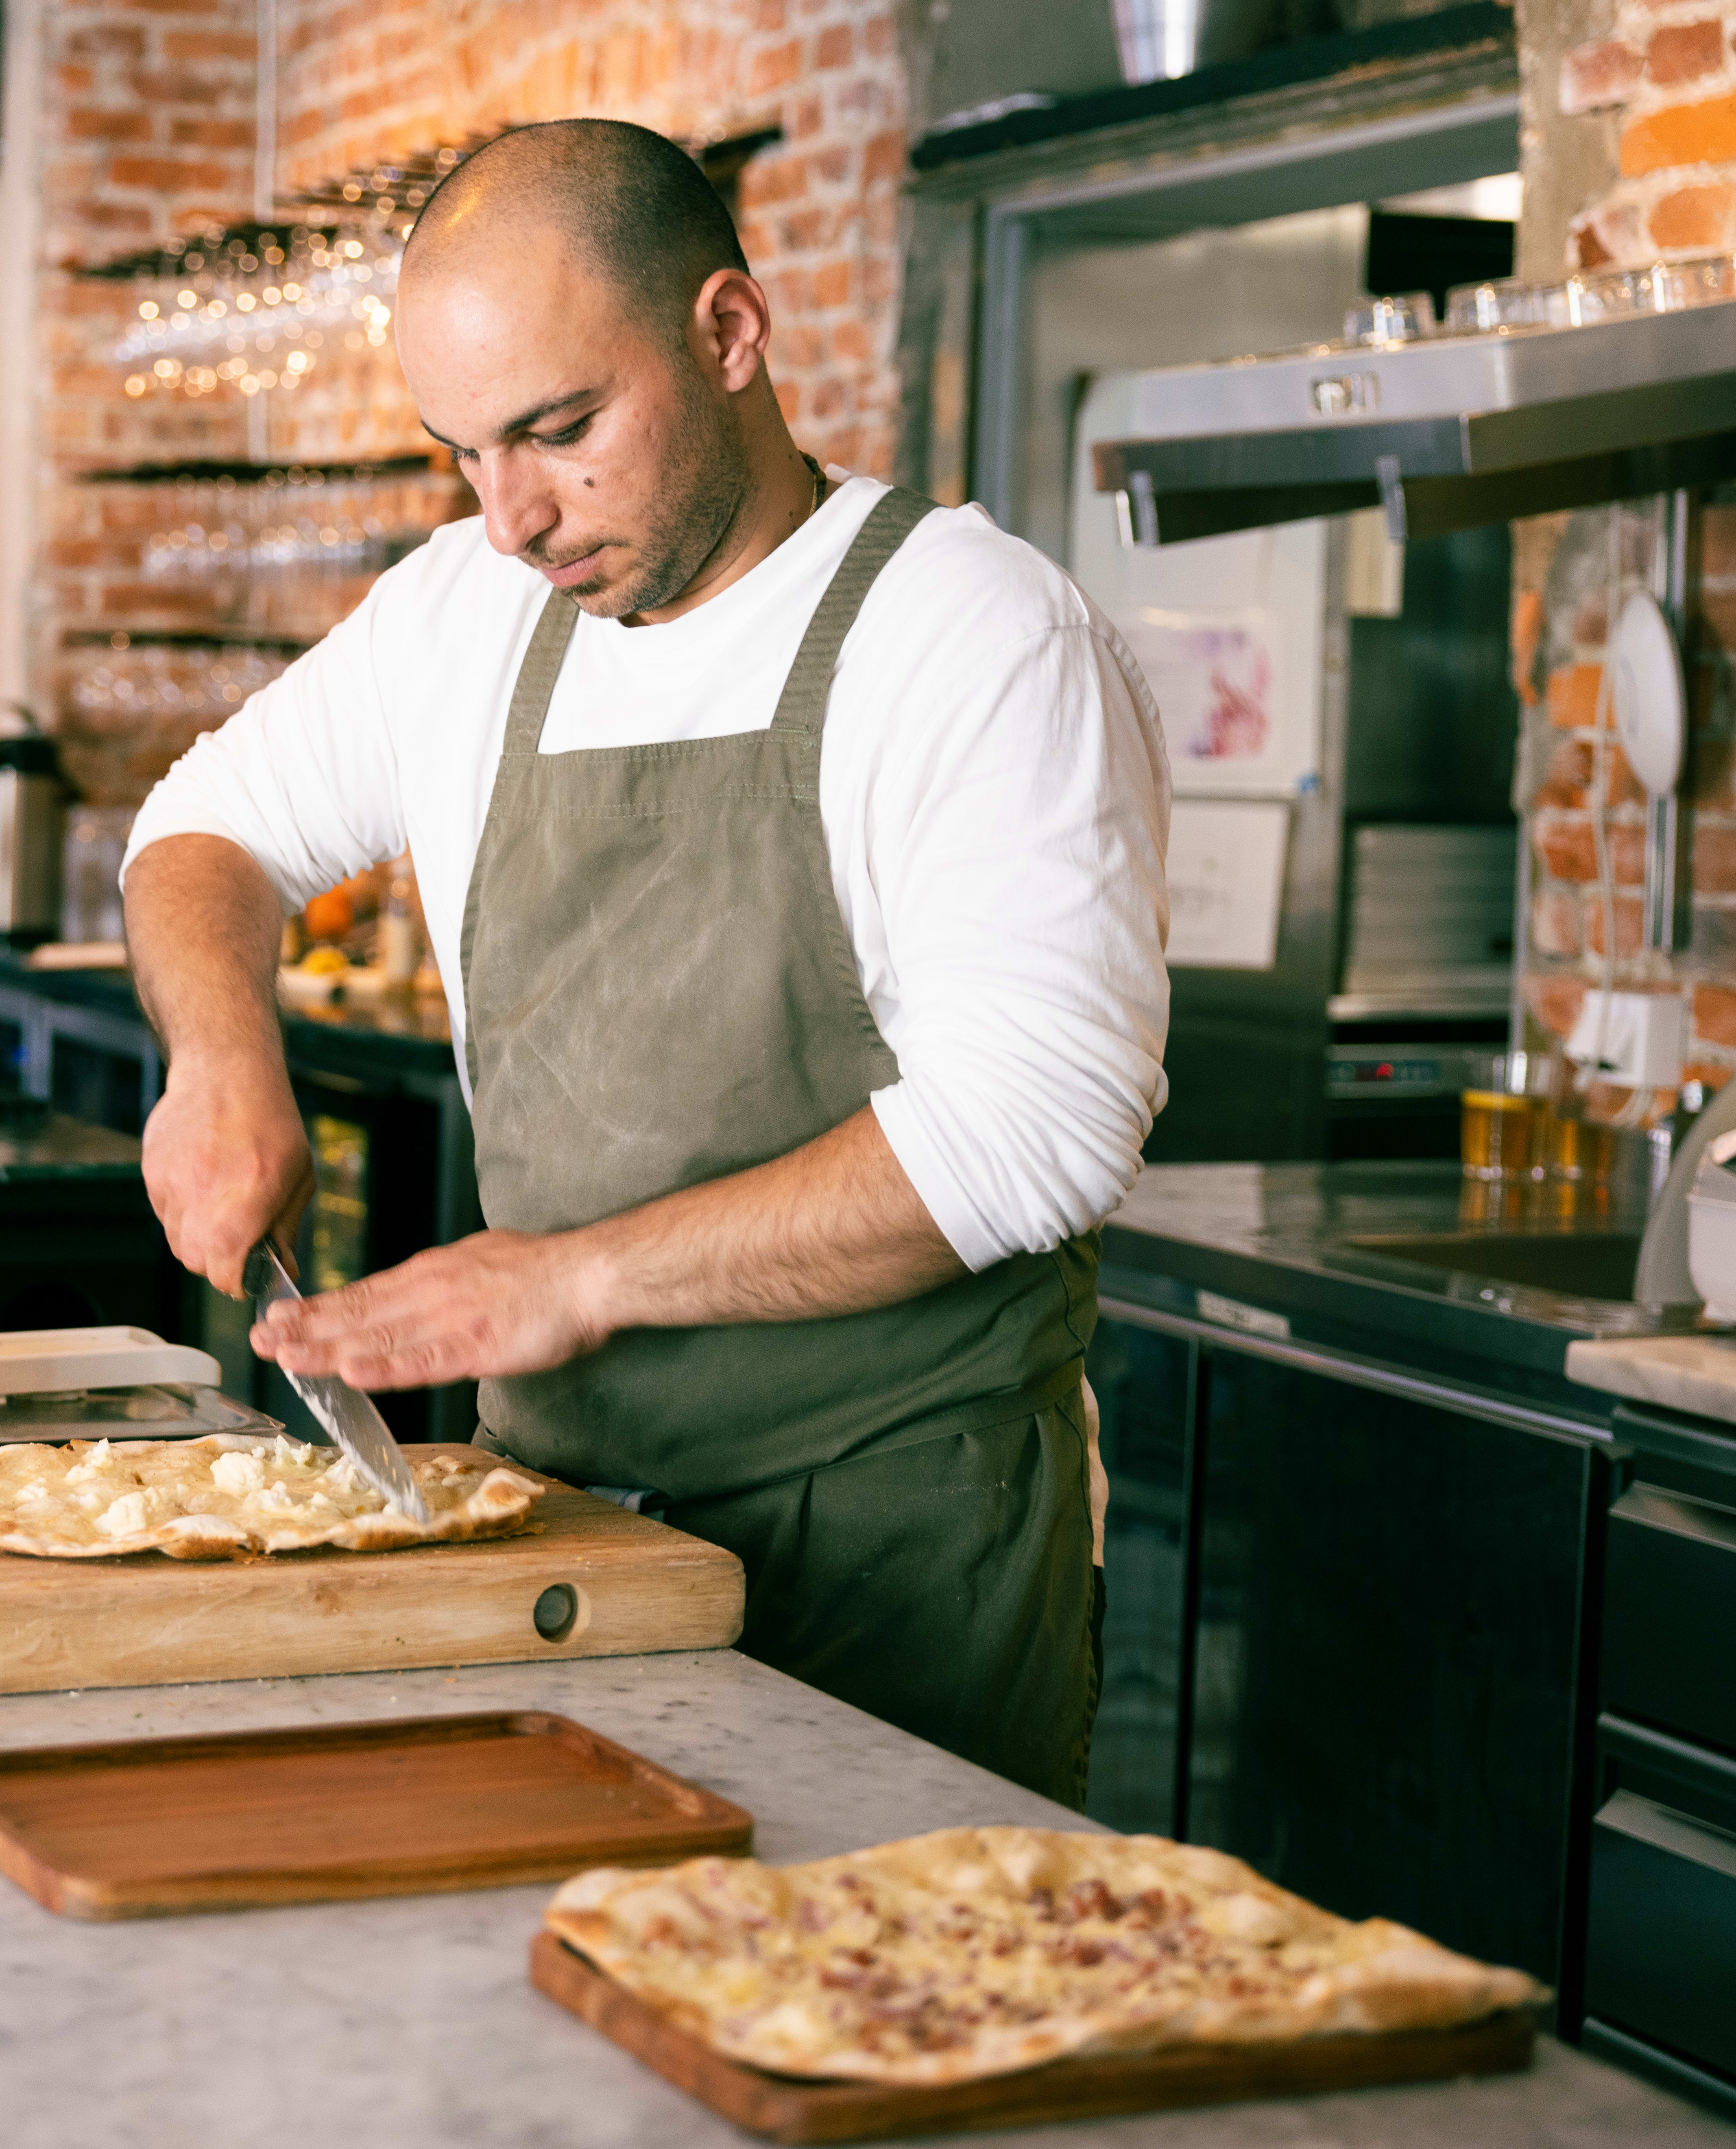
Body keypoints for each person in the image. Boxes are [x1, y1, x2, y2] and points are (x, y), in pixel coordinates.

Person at [121, 122, 1171, 1804]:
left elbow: (1030, 1130)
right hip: (558, 1533)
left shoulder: (972, 636)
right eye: (465, 453)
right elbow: (202, 829)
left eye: (560, 430)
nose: (512, 518)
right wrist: (221, 1058)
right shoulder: (466, 616)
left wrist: (570, 1281)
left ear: (729, 332)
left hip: (902, 1551)